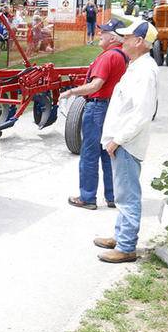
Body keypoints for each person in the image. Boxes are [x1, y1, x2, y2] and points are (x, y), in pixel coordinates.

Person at [95, 20, 160, 263]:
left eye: (128, 36)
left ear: (140, 42)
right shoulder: (137, 66)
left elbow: (142, 113)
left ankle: (126, 246)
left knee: (127, 195)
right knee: (123, 192)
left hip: (127, 143)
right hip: (122, 142)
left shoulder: (144, 71)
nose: (123, 39)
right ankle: (121, 235)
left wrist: (117, 140)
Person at [60, 18, 128, 210]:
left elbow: (95, 85)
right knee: (108, 152)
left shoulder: (107, 57)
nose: (100, 34)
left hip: (97, 108)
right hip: (110, 108)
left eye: (104, 32)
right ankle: (113, 195)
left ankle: (87, 197)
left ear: (114, 38)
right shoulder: (123, 56)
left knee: (89, 153)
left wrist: (71, 92)